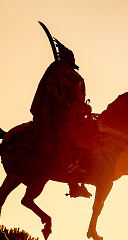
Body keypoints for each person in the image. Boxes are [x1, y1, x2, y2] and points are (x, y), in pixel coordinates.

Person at [30, 38, 92, 197]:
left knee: (86, 137)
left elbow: (78, 94)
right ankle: (67, 168)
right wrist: (61, 101)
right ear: (64, 57)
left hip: (78, 110)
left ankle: (78, 177)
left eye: (72, 56)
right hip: (66, 111)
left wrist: (84, 106)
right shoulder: (59, 70)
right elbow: (51, 86)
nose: (73, 58)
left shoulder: (72, 72)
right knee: (66, 135)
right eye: (70, 56)